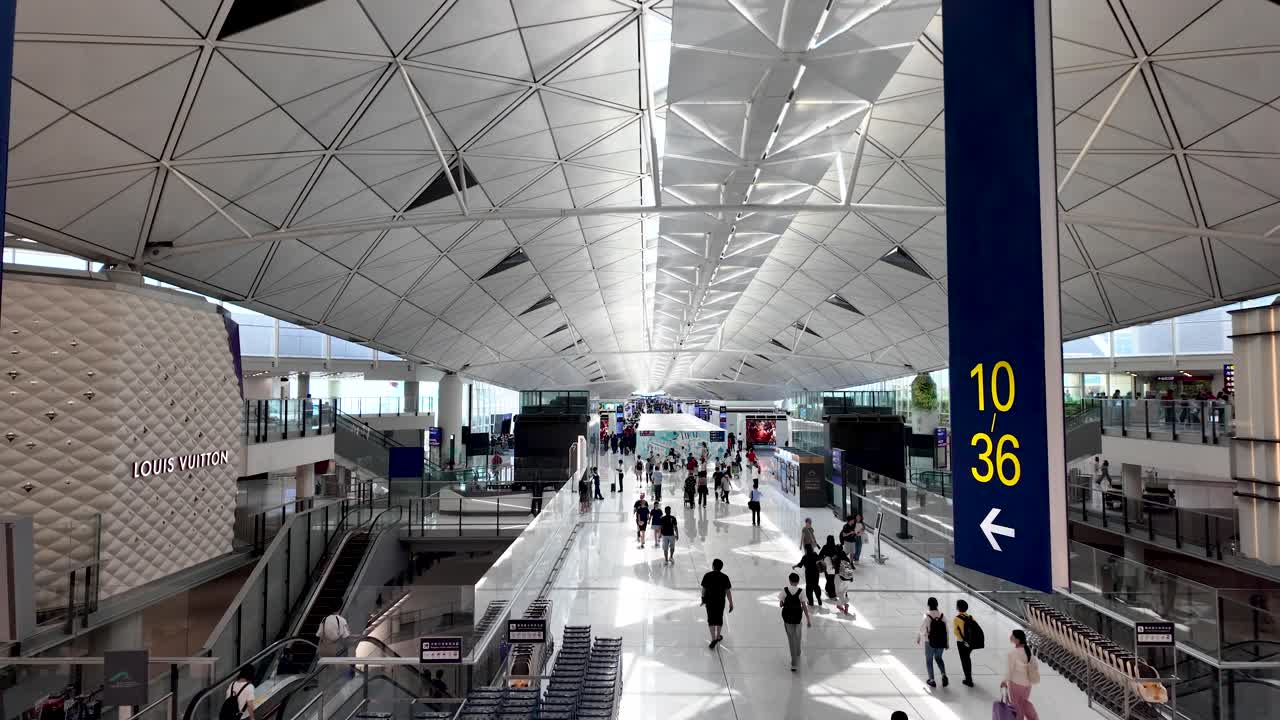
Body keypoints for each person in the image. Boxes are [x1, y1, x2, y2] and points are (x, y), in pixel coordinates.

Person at [1001, 629, 1041, 719]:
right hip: (1027, 684)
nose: (1010, 637)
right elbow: (1035, 665)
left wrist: (1004, 681)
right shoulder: (1028, 651)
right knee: (1023, 702)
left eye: (1012, 636)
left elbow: (1009, 670)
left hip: (1016, 683)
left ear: (1017, 640)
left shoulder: (1012, 653)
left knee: (1016, 705)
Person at [779, 572, 812, 671]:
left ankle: (794, 663)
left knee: (791, 639)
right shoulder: (801, 591)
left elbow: (781, 604)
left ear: (790, 581)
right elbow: (804, 606)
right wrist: (808, 619)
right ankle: (798, 651)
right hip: (797, 617)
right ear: (798, 581)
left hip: (787, 618)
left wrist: (784, 603)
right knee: (798, 635)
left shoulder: (785, 590)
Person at [700, 558, 734, 648]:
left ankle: (713, 639)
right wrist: (731, 603)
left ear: (713, 566)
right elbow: (728, 592)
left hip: (709, 601)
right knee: (719, 618)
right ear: (721, 567)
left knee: (711, 619)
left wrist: (703, 599)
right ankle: (718, 636)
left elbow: (704, 590)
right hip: (720, 602)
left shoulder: (707, 575)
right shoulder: (725, 577)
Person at [917, 596, 950, 688]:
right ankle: (943, 675)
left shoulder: (927, 616)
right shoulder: (942, 615)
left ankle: (932, 680)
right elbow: (947, 630)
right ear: (937, 605)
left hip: (929, 642)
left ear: (928, 605)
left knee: (929, 660)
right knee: (939, 658)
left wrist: (919, 637)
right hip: (941, 641)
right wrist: (947, 642)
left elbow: (922, 629)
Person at [953, 599, 977, 687]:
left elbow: (956, 632)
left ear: (958, 608)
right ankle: (969, 677)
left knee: (964, 660)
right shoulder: (970, 617)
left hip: (961, 642)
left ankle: (968, 679)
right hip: (971, 642)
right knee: (967, 658)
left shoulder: (956, 618)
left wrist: (963, 639)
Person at [793, 544, 823, 608]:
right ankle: (819, 599)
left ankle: (811, 602)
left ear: (806, 549)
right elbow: (820, 560)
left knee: (809, 587)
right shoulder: (815, 555)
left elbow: (800, 564)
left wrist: (795, 566)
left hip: (809, 574)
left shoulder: (805, 557)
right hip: (816, 573)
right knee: (816, 585)